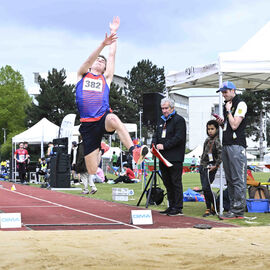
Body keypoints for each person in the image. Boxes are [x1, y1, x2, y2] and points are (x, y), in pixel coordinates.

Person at [76, 16, 148, 185]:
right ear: (92, 64)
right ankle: (91, 168)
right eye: (98, 60)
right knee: (92, 169)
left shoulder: (105, 79)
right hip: (87, 124)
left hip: (102, 118)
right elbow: (88, 59)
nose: (101, 61)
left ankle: (134, 151)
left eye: (103, 61)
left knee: (114, 118)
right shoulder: (82, 75)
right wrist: (102, 44)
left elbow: (112, 54)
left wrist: (114, 33)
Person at [215, 81, 247, 219]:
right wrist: (222, 124)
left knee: (237, 179)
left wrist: (228, 112)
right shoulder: (226, 106)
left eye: (225, 92)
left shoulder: (240, 104)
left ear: (233, 91)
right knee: (229, 179)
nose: (223, 95)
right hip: (227, 144)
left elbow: (235, 125)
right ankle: (233, 208)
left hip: (236, 145)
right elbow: (228, 126)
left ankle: (238, 210)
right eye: (222, 92)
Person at [152, 97, 186, 216]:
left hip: (174, 157)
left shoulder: (179, 120)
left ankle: (178, 207)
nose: (164, 111)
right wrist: (154, 144)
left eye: (166, 108)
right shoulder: (161, 121)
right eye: (162, 108)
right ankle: (171, 205)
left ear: (172, 108)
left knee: (175, 182)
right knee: (167, 182)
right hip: (162, 157)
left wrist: (164, 146)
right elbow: (156, 135)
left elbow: (179, 138)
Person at [199, 120, 222, 217]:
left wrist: (216, 165)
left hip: (211, 168)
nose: (210, 131)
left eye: (212, 129)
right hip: (203, 166)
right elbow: (204, 153)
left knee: (206, 187)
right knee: (204, 189)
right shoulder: (207, 140)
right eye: (208, 129)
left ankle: (214, 205)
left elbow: (221, 154)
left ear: (217, 129)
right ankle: (208, 207)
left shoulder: (217, 141)